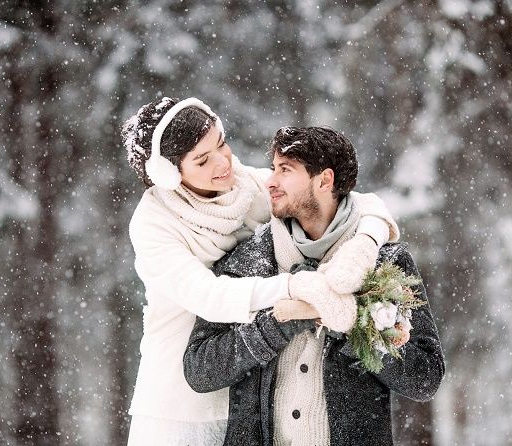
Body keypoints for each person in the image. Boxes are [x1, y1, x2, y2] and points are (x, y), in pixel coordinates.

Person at [121, 98, 400, 446]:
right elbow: (209, 296)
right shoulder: (153, 223)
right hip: (181, 399)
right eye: (202, 160)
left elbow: (348, 199)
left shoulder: (247, 186)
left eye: (221, 143)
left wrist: (367, 241)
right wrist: (295, 287)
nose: (223, 162)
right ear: (170, 174)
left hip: (250, 390)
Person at [183, 126, 445, 446]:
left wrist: (353, 324)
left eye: (285, 170)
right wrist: (276, 325)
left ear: (324, 180)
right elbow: (198, 370)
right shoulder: (243, 262)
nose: (270, 182)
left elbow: (426, 378)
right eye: (272, 169)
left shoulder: (386, 263)